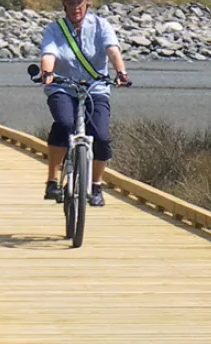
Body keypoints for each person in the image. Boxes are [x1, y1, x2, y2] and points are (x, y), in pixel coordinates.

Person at [39, 0, 129, 208]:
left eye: (79, 2)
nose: (75, 7)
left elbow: (112, 50)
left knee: (101, 137)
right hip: (63, 87)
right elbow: (49, 54)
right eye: (70, 2)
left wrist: (121, 72)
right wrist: (47, 73)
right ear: (64, 4)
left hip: (95, 88)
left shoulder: (101, 26)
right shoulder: (54, 29)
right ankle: (53, 180)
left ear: (87, 3)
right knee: (64, 123)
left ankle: (96, 185)